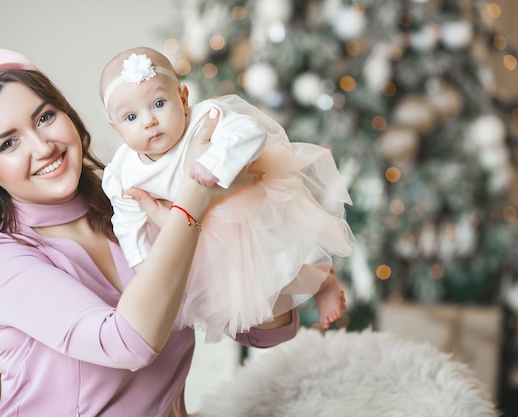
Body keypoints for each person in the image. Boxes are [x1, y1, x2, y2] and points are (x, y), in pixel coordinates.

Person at [0, 48, 301, 417]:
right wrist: (194, 200)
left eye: (44, 117)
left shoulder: (131, 205)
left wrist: (247, 228)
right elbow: (126, 344)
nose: (43, 146)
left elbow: (264, 331)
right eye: (9, 143)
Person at [100, 47, 356, 342]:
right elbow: (128, 225)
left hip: (241, 216)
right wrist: (144, 267)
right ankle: (290, 309)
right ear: (116, 128)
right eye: (131, 117)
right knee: (239, 302)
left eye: (159, 103)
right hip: (191, 239)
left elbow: (250, 132)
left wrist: (215, 164)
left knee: (278, 275)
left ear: (183, 98)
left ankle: (322, 283)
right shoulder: (121, 172)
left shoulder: (205, 117)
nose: (149, 121)